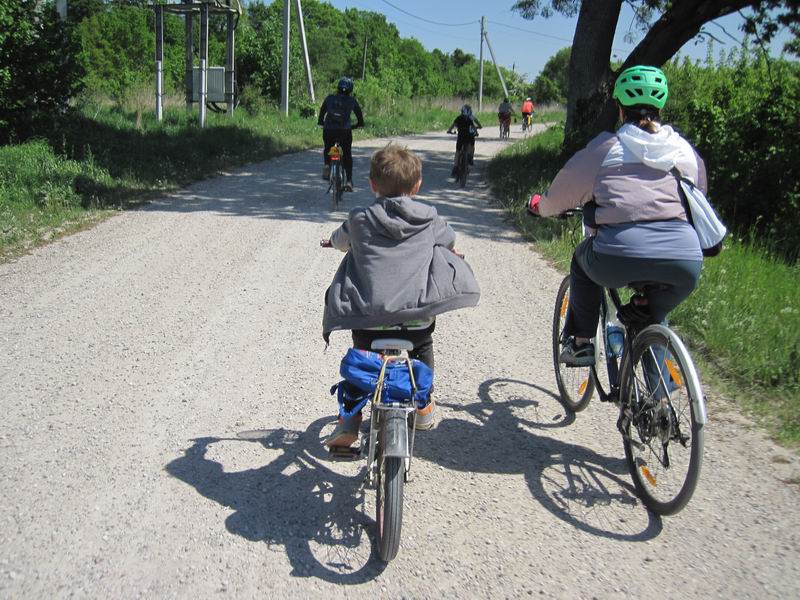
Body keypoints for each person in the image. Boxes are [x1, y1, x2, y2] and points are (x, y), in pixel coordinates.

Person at [527, 65, 706, 366]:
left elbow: (559, 196)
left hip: (618, 255)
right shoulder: (686, 153)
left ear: (619, 107)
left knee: (582, 261)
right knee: (652, 317)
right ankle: (660, 406)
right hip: (685, 261)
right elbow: (699, 200)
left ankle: (582, 343)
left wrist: (540, 207)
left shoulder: (606, 148)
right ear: (661, 106)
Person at [322, 144, 480, 446]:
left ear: (372, 185)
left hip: (369, 319)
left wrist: (332, 242)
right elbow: (449, 239)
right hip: (416, 319)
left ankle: (351, 418)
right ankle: (423, 404)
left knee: (365, 354)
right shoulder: (430, 218)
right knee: (422, 346)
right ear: (417, 185)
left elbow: (340, 240)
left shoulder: (359, 219)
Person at [318, 77, 364, 192]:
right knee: (347, 154)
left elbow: (322, 111)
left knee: (328, 147)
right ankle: (349, 181)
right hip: (344, 131)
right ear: (350, 90)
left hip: (329, 130)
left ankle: (327, 165)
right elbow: (359, 114)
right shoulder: (352, 101)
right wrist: (359, 124)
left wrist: (321, 122)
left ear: (338, 88)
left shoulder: (329, 98)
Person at [446, 105, 482, 178]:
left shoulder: (458, 118)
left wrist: (449, 131)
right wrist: (476, 132)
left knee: (458, 151)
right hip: (469, 136)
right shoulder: (470, 118)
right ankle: (469, 158)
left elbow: (453, 125)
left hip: (461, 137)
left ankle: (455, 166)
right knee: (471, 145)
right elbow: (474, 127)